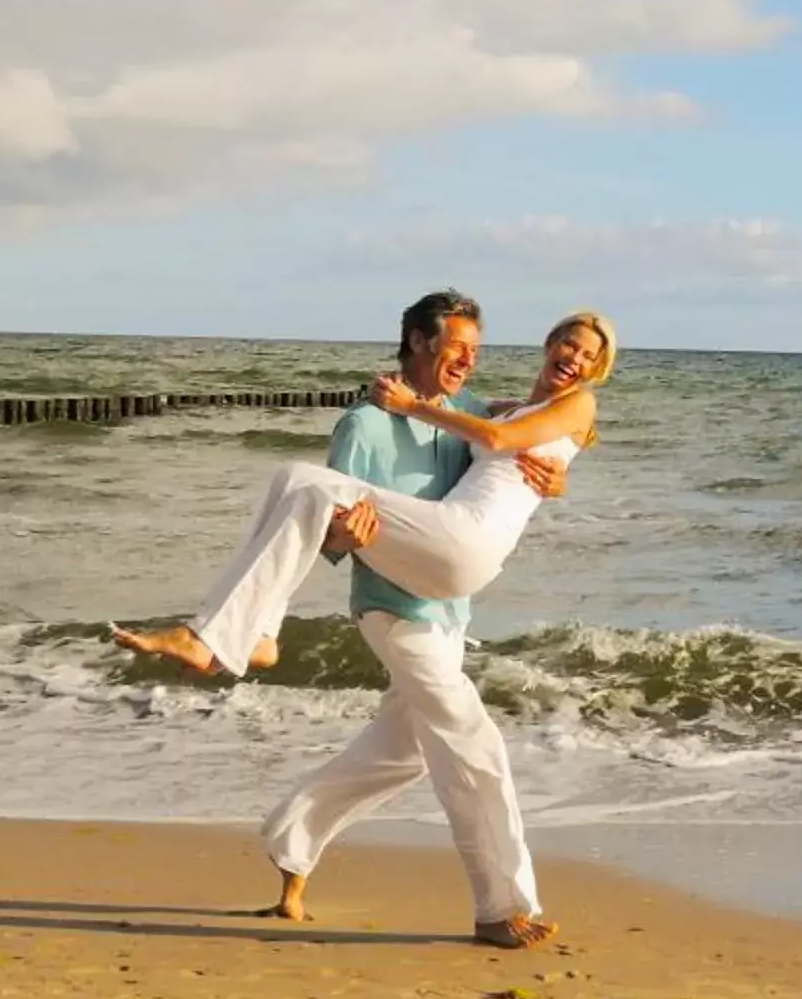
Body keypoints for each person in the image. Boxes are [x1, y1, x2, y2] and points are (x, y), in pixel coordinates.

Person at [123, 293, 610, 949]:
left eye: (589, 353)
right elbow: (322, 533)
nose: (467, 358)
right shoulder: (368, 425)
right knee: (444, 745)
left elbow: (517, 443)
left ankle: (253, 664)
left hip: (452, 586)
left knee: (406, 748)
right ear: (416, 341)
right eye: (455, 345)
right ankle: (496, 906)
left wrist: (558, 480)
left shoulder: (477, 412)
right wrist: (346, 536)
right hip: (396, 603)